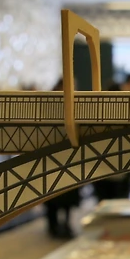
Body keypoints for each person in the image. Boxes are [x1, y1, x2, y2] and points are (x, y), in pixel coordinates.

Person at [45, 78, 82, 239]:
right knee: (53, 196)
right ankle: (54, 226)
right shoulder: (52, 103)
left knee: (66, 195)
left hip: (68, 155)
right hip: (55, 156)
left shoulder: (73, 103)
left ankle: (64, 224)